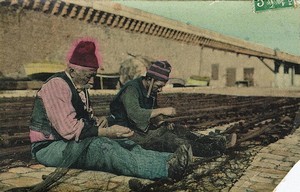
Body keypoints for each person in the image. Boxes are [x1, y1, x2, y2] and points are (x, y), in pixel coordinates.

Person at [29, 40, 192, 180]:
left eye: (94, 76)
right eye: (89, 76)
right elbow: (68, 130)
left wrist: (98, 122)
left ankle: (170, 159)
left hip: (69, 142)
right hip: (50, 147)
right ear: (72, 70)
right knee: (103, 149)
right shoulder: (57, 86)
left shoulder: (79, 85)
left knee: (124, 143)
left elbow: (81, 119)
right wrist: (106, 132)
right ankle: (164, 169)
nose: (92, 81)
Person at [109, 60, 237, 157]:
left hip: (142, 128)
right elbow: (135, 114)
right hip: (127, 132)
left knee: (179, 130)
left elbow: (152, 110)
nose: (160, 89)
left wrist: (161, 121)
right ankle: (212, 150)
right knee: (171, 141)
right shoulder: (132, 89)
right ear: (150, 79)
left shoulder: (149, 89)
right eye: (159, 86)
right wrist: (162, 111)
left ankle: (216, 141)